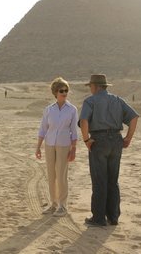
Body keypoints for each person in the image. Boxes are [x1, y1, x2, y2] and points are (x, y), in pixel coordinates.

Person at [79, 74, 139, 226]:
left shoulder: (90, 101)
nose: (90, 89)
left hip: (98, 141)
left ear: (95, 86)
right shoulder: (117, 100)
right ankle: (113, 216)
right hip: (116, 140)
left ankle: (98, 218)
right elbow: (134, 118)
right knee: (113, 179)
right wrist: (128, 138)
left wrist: (86, 140)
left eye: (91, 86)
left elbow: (84, 120)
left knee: (99, 180)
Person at [36, 77, 79, 217]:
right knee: (51, 175)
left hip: (64, 145)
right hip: (49, 144)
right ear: (55, 92)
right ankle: (53, 204)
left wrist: (74, 149)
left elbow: (74, 131)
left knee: (61, 175)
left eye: (66, 90)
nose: (65, 92)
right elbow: (43, 129)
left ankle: (62, 205)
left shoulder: (72, 110)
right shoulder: (48, 110)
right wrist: (38, 147)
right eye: (62, 90)